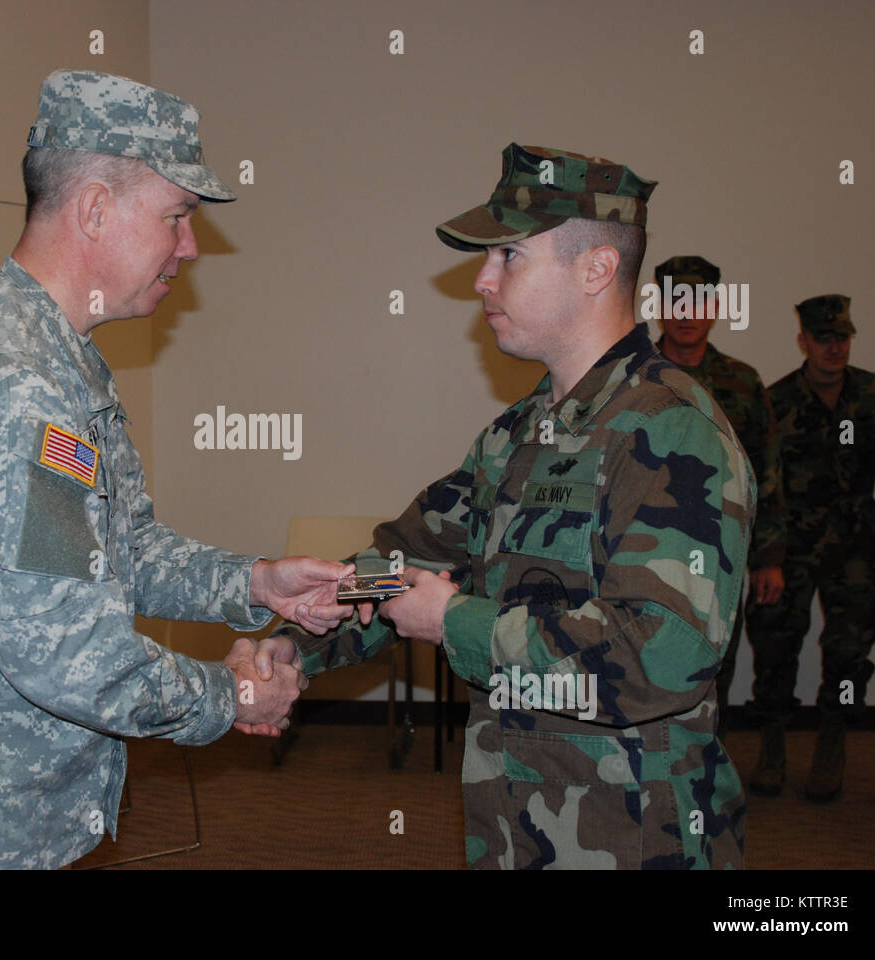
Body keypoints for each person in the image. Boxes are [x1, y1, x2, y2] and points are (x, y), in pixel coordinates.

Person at [0, 70, 350, 869]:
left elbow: (118, 550)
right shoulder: (19, 386)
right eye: (177, 216)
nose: (190, 246)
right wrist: (235, 693)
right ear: (96, 209)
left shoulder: (61, 362)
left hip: (7, 811)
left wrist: (255, 584)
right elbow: (71, 659)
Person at [255, 144, 755, 869]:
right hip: (515, 826)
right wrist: (292, 646)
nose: (483, 281)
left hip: (635, 839)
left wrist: (455, 621)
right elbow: (404, 560)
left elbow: (664, 653)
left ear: (596, 269)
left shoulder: (673, 431)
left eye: (510, 256)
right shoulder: (520, 432)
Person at [744, 295, 875, 801]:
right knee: (774, 648)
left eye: (843, 337)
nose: (835, 348)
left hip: (854, 546)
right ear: (803, 341)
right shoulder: (778, 400)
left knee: (849, 653)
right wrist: (766, 557)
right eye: (824, 338)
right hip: (790, 545)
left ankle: (833, 742)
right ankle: (771, 747)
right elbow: (762, 483)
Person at [651, 255, 786, 738]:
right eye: (676, 302)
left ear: (714, 308)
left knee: (715, 658)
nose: (687, 314)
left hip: (720, 548)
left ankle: (704, 760)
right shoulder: (633, 377)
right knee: (643, 651)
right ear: (660, 308)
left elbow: (766, 474)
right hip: (642, 546)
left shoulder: (743, 382)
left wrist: (769, 556)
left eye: (698, 301)